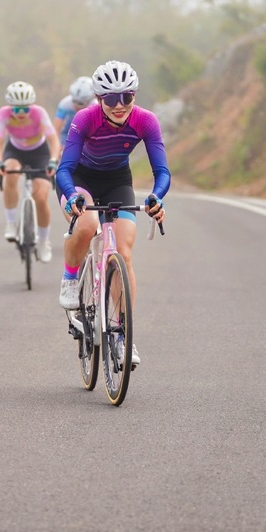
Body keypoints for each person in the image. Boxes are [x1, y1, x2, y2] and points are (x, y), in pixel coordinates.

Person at [55, 61, 169, 367]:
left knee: (124, 253)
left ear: (134, 96)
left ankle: (122, 334)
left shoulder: (145, 120)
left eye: (126, 97)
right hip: (79, 178)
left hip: (117, 181)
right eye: (110, 99)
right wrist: (72, 195)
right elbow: (64, 168)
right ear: (98, 99)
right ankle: (70, 277)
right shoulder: (85, 118)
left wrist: (156, 198)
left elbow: (161, 171)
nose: (119, 105)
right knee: (87, 224)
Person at [0, 81, 61, 262]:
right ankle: (11, 223)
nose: (21, 113)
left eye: (25, 109)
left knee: (41, 197)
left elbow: (54, 141)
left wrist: (53, 161)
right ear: (10, 107)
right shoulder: (3, 114)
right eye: (16, 109)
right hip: (15, 151)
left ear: (32, 106)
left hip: (40, 152)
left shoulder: (39, 113)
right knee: (10, 171)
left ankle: (44, 241)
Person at [52, 76, 94, 147]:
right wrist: (58, 146)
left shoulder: (94, 106)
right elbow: (56, 130)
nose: (77, 106)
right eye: (74, 101)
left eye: (81, 103)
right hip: (69, 128)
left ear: (90, 99)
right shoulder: (65, 103)